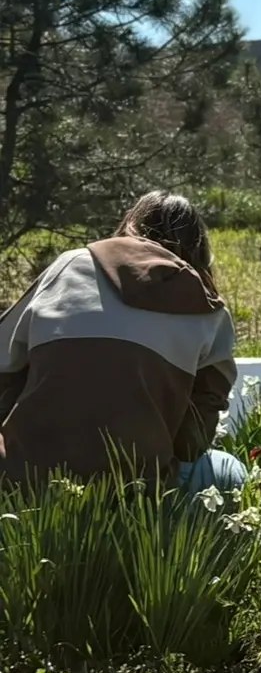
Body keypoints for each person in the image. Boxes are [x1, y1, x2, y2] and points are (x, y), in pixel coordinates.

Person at [0, 191, 243, 494]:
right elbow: (193, 442)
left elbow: (4, 366)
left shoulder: (68, 265)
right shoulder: (208, 310)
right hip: (134, 491)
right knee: (230, 470)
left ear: (129, 225)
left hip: (25, 480)